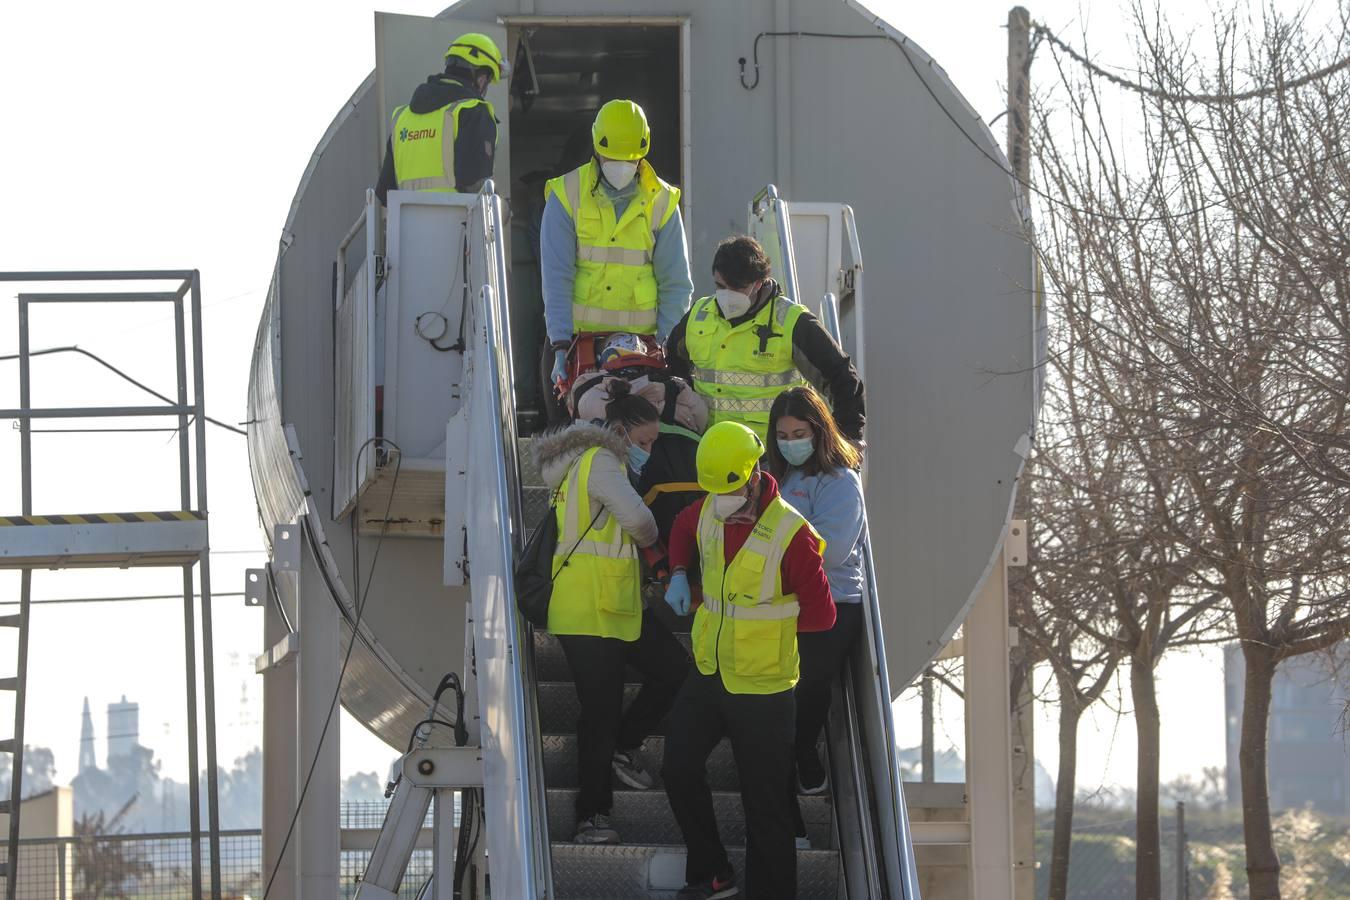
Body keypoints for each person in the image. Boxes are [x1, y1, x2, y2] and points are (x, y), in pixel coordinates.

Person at [660, 422, 836, 899]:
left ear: (754, 474)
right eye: (712, 490)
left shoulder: (792, 535)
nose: (720, 498)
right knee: (676, 767)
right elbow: (682, 525)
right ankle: (713, 872)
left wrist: (766, 633)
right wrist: (679, 572)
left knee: (768, 810)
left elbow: (821, 617)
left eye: (729, 487)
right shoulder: (712, 508)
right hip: (709, 673)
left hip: (763, 689)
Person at [532, 382, 690, 845]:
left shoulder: (584, 465)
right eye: (642, 441)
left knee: (673, 672)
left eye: (652, 442)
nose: (648, 450)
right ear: (618, 431)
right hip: (588, 609)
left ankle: (624, 746)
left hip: (613, 605)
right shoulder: (601, 461)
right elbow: (640, 522)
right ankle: (592, 816)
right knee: (599, 713)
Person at [766, 385, 868, 847]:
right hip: (780, 607)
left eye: (800, 432)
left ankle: (806, 757)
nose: (791, 441)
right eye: (783, 434)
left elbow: (834, 548)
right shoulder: (778, 478)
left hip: (831, 607)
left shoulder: (839, 481)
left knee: (801, 702)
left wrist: (773, 557)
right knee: (777, 719)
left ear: (820, 431)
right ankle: (791, 810)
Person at [540, 99, 694, 390]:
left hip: (643, 350)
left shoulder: (662, 201)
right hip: (576, 344)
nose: (621, 166)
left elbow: (676, 284)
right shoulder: (565, 195)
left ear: (643, 153)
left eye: (630, 159)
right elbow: (556, 278)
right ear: (597, 149)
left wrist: (665, 347)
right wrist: (560, 347)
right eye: (614, 159)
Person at [666, 235, 866, 443]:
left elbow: (843, 377)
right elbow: (672, 364)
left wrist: (847, 439)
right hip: (708, 450)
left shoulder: (792, 321)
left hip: (772, 458)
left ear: (758, 283)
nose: (727, 295)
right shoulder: (698, 315)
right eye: (720, 286)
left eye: (737, 288)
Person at [375, 32, 506, 201]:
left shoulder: (402, 117)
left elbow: (386, 191)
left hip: (405, 227)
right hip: (458, 225)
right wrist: (502, 207)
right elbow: (475, 184)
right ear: (481, 79)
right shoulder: (474, 111)